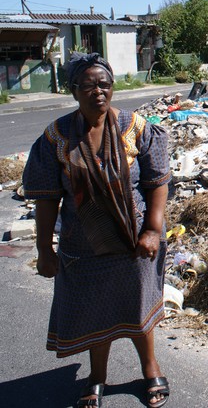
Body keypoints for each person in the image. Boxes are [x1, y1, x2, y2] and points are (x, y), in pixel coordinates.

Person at [23, 52, 171, 408]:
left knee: (138, 307)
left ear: (113, 87)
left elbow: (158, 181)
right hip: (82, 244)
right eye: (88, 86)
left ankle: (150, 369)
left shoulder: (135, 127)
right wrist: (45, 249)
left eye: (104, 84)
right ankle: (97, 377)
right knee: (93, 310)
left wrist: (152, 229)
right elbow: (46, 198)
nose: (98, 92)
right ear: (74, 91)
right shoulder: (57, 137)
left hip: (134, 241)